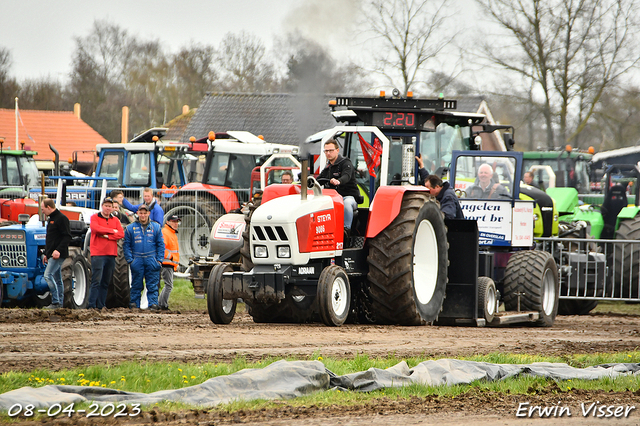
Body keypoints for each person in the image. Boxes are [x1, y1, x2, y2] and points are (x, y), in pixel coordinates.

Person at [123, 204, 164, 310]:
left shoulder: (156, 227)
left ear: (148, 213)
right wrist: (130, 260)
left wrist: (159, 260)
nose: (143, 215)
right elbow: (126, 245)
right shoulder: (130, 228)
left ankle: (153, 304)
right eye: (141, 213)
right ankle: (134, 304)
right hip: (137, 259)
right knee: (136, 283)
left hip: (152, 258)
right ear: (137, 213)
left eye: (145, 213)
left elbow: (161, 245)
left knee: (152, 284)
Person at [88, 197, 124, 309]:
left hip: (111, 254)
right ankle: (91, 306)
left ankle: (101, 305)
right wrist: (112, 231)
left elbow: (121, 234)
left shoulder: (116, 220)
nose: (108, 208)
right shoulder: (94, 217)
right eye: (106, 205)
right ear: (102, 206)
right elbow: (95, 229)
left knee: (105, 282)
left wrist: (107, 236)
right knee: (96, 281)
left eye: (110, 206)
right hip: (98, 254)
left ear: (112, 208)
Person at [318, 139, 360, 235]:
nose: (328, 153)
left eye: (331, 150)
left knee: (347, 204)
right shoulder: (328, 167)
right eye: (326, 151)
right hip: (332, 198)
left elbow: (347, 176)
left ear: (337, 150)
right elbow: (319, 179)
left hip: (347, 197)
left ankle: (346, 231)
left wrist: (338, 181)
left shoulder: (346, 163)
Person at [41, 198, 71, 309]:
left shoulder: (62, 219)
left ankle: (55, 302)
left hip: (59, 254)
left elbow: (67, 236)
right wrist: (46, 253)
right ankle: (60, 304)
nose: (42, 211)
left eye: (43, 209)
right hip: (52, 254)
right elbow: (50, 238)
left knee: (47, 276)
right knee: (58, 279)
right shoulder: (51, 219)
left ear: (49, 207)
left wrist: (58, 250)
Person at [159, 215, 180, 310]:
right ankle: (163, 305)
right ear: (168, 222)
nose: (176, 224)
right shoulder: (166, 233)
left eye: (177, 222)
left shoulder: (172, 233)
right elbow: (162, 249)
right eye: (174, 222)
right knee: (169, 285)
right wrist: (171, 257)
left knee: (168, 285)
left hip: (170, 263)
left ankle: (161, 304)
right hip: (166, 263)